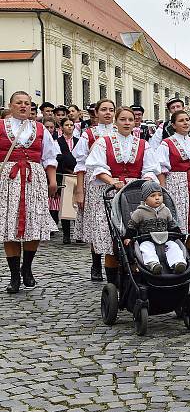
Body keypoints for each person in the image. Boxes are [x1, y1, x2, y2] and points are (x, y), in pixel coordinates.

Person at [81, 107, 160, 284]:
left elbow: (150, 168)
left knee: (135, 236)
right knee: (111, 241)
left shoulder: (143, 144)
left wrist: (144, 181)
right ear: (116, 122)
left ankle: (134, 279)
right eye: (123, 119)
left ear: (134, 122)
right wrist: (111, 181)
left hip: (134, 194)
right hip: (111, 192)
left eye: (130, 120)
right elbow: (97, 166)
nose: (126, 123)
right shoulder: (104, 142)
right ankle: (113, 283)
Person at [1, 91, 58, 293]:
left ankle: (27, 267)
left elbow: (50, 158)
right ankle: (14, 275)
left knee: (34, 223)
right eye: (19, 103)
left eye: (27, 103)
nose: (23, 106)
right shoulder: (1, 126)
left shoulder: (40, 128)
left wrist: (52, 181)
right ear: (11, 105)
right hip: (8, 180)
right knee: (10, 225)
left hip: (34, 178)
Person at [156, 110, 190, 263]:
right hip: (175, 185)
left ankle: (187, 262)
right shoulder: (166, 143)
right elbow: (161, 169)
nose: (186, 123)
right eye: (181, 120)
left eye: (187, 120)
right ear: (173, 125)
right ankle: (175, 261)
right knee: (177, 227)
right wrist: (163, 190)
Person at [73, 98, 118, 277]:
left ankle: (116, 261)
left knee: (116, 222)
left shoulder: (120, 131)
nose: (108, 113)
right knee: (97, 222)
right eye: (104, 109)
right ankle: (96, 263)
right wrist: (79, 190)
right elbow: (81, 164)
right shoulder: (89, 135)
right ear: (96, 113)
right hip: (94, 185)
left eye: (111, 110)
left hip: (115, 182)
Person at [123, 180, 187, 275]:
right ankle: (153, 264)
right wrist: (128, 237)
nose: (157, 198)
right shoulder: (139, 212)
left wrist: (179, 235)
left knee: (174, 247)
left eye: (159, 195)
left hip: (165, 239)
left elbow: (172, 225)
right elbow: (132, 226)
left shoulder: (165, 210)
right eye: (153, 196)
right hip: (146, 239)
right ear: (145, 199)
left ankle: (178, 263)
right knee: (146, 248)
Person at [56, 117, 79, 244]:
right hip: (64, 174)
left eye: (71, 125)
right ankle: (66, 235)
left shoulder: (78, 141)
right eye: (67, 125)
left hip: (77, 175)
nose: (69, 127)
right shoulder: (58, 141)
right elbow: (58, 157)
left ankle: (78, 233)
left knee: (78, 204)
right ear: (62, 127)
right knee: (65, 206)